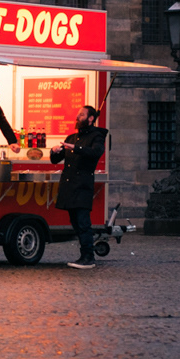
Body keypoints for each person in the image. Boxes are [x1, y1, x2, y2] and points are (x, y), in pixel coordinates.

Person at [50, 105, 108, 270]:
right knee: (75, 221)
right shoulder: (71, 137)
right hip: (69, 185)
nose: (77, 117)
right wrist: (54, 151)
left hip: (82, 184)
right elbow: (55, 160)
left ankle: (88, 257)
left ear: (90, 118)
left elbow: (96, 152)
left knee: (83, 222)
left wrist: (75, 148)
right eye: (77, 115)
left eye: (81, 115)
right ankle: (84, 255)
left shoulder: (96, 136)